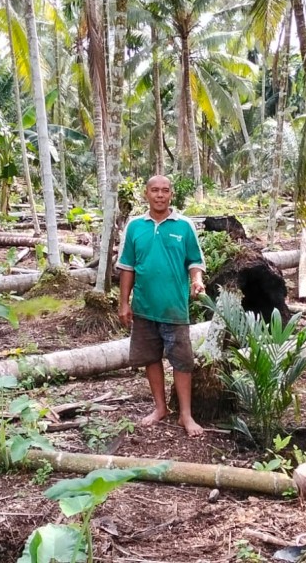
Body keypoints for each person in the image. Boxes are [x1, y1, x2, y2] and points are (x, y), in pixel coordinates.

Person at [116, 176, 207, 437]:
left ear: (171, 195)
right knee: (151, 357)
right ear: (146, 194)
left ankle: (185, 415)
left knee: (182, 362)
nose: (159, 195)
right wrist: (124, 303)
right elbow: (127, 267)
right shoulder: (135, 227)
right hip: (144, 307)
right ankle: (160, 408)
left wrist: (197, 281)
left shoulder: (184, 226)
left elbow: (194, 261)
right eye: (154, 190)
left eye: (165, 190)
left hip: (174, 308)